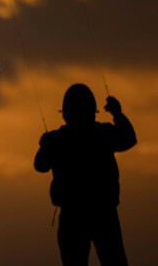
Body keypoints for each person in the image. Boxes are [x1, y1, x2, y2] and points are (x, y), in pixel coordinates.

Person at [34, 83, 137, 266]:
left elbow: (40, 166)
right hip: (103, 214)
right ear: (93, 111)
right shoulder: (102, 134)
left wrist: (44, 146)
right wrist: (117, 114)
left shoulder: (58, 140)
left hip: (75, 217)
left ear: (65, 113)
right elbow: (128, 138)